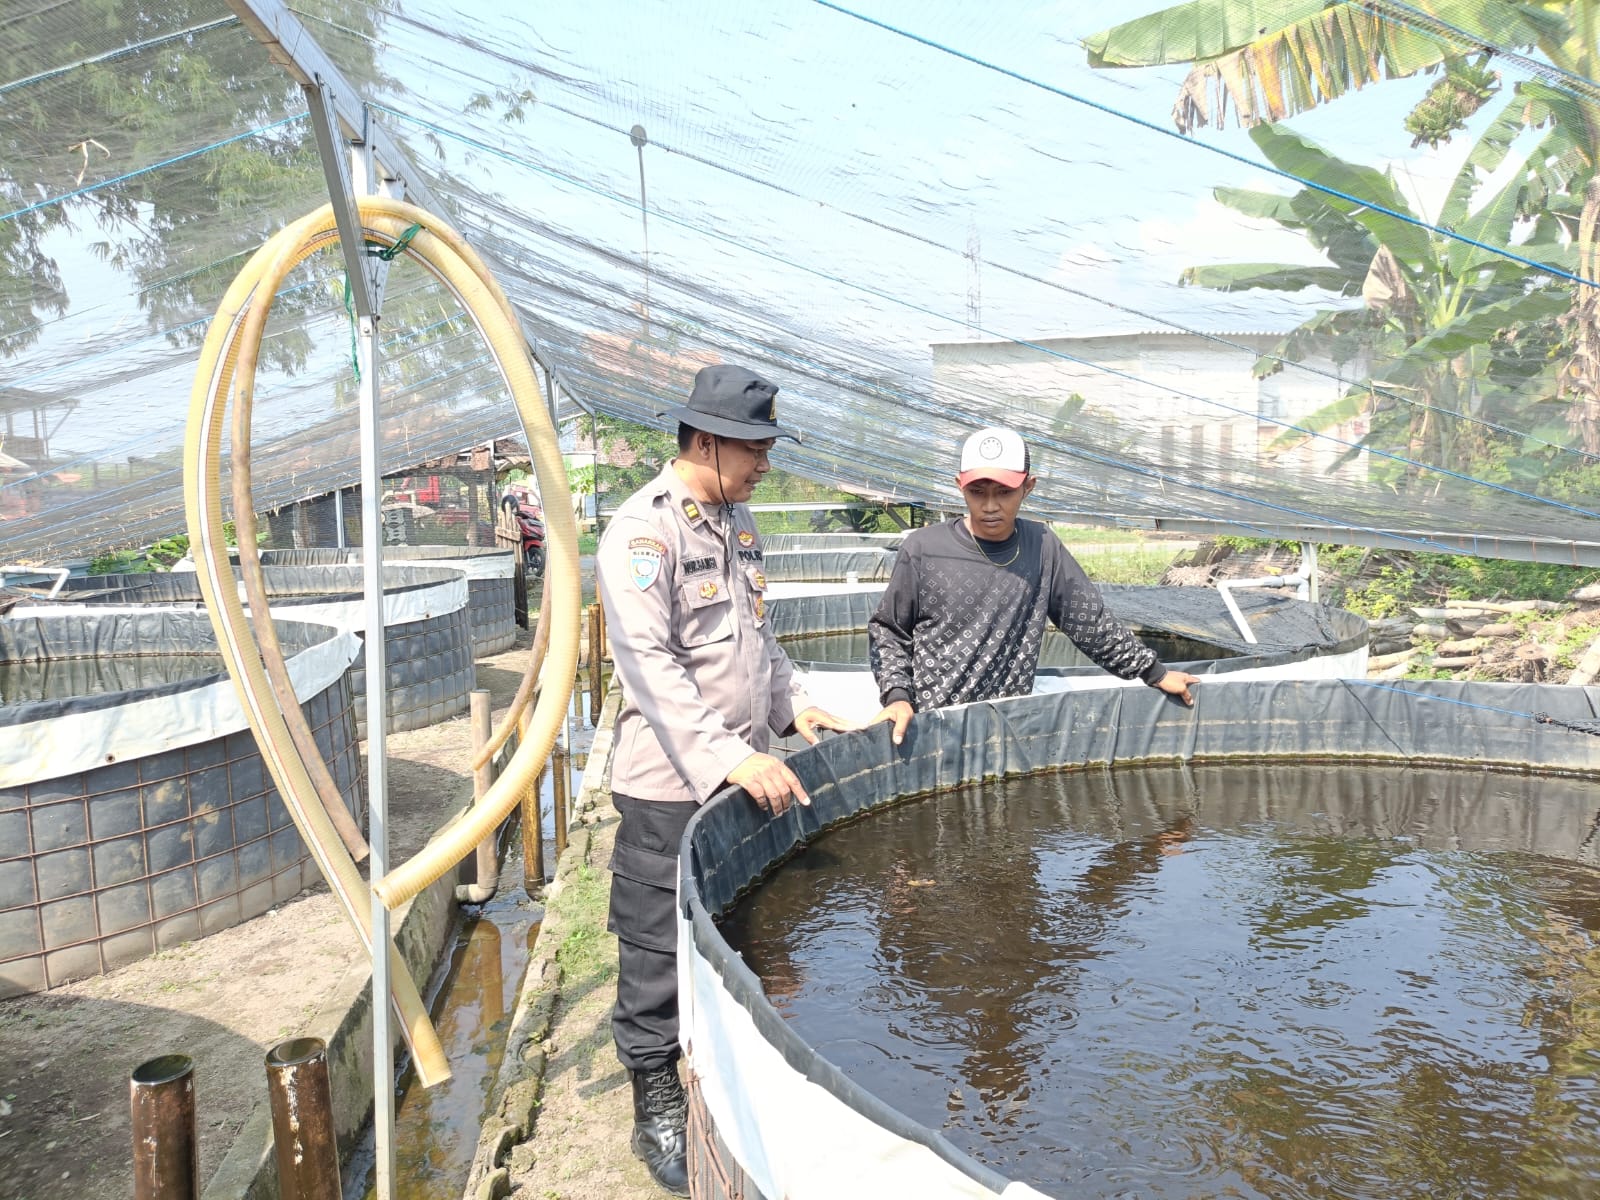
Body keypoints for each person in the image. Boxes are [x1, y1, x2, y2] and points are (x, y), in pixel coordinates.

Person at [595, 362, 855, 1195]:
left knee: (741, 929)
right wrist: (734, 760)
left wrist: (794, 709)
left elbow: (757, 647)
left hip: (743, 770)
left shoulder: (737, 528)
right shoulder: (644, 535)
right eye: (756, 448)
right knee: (655, 949)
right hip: (671, 787)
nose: (766, 464)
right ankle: (656, 1101)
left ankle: (723, 1066)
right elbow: (653, 672)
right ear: (705, 442)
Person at [868, 425, 1199, 742]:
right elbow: (889, 629)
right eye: (977, 492)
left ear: (1028, 486)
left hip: (1006, 729)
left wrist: (1153, 672)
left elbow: (1089, 623)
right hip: (932, 725)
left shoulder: (1042, 547)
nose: (990, 505)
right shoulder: (925, 548)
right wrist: (897, 695)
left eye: (1005, 492)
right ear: (959, 486)